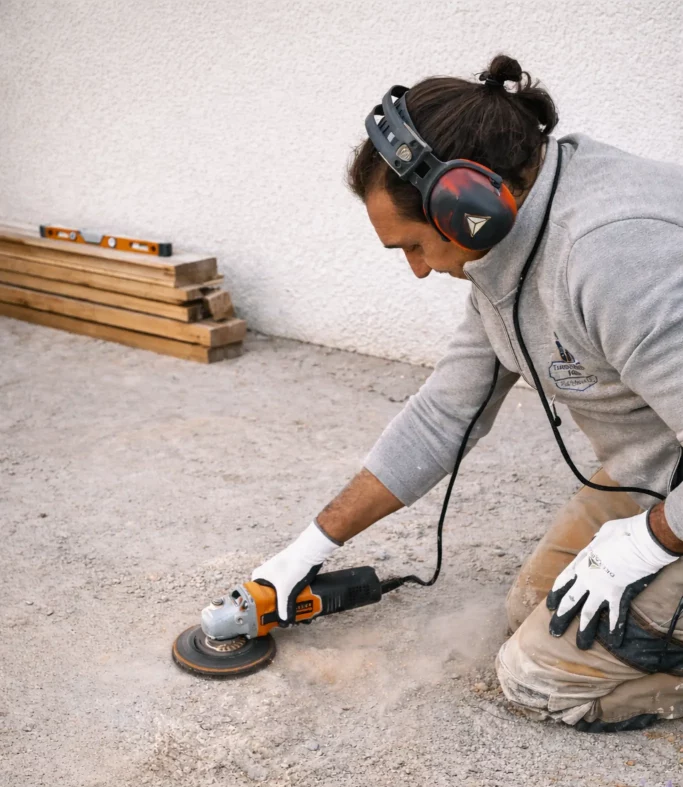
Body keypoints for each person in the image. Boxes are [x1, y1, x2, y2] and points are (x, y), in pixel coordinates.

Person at [252, 54, 683, 732]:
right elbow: (444, 414)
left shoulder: (611, 256)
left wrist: (650, 541)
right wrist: (306, 549)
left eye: (413, 247)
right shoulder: (503, 244)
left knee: (539, 678)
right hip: (659, 461)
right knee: (530, 606)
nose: (419, 271)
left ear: (464, 207)